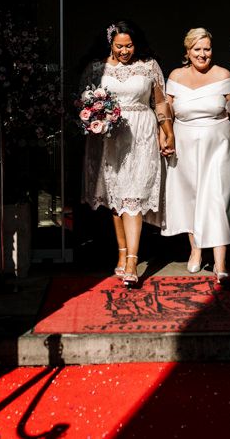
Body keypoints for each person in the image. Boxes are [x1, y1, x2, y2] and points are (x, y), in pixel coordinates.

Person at [80, 20, 175, 287]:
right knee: (116, 196)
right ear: (110, 43)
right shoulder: (97, 68)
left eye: (129, 45)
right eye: (119, 46)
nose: (125, 51)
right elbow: (83, 101)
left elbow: (160, 101)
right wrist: (95, 118)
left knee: (133, 196)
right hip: (109, 138)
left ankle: (133, 259)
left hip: (141, 134)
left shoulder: (148, 66)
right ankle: (122, 254)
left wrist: (167, 131)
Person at [161, 27, 230, 283]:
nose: (203, 54)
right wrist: (165, 137)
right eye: (197, 49)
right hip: (185, 142)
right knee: (191, 197)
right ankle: (196, 250)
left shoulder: (224, 75)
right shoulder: (175, 76)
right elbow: (167, 112)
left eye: (207, 49)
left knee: (218, 198)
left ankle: (220, 262)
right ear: (187, 51)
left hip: (218, 143)